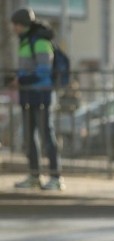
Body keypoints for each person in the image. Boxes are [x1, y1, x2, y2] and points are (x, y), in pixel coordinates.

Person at [10, 7, 64, 190]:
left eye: (15, 25)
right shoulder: (25, 42)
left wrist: (22, 79)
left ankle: (56, 177)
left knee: (46, 136)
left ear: (22, 25)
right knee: (29, 137)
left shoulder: (40, 42)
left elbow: (43, 71)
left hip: (41, 94)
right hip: (28, 95)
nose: (13, 29)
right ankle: (34, 175)